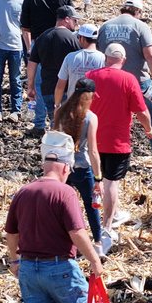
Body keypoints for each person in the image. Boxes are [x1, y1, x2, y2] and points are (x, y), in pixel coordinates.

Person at [6, 131, 105, 303]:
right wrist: (95, 260)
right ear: (64, 167)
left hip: (29, 269)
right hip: (59, 267)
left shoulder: (24, 192)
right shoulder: (66, 193)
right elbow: (77, 232)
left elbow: (11, 232)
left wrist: (14, 260)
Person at [88, 44, 152, 250]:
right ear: (123, 60)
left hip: (92, 140)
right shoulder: (128, 79)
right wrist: (149, 129)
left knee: (97, 180)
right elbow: (141, 111)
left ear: (105, 58)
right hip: (117, 141)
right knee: (111, 183)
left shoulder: (91, 76)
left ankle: (110, 214)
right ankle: (107, 226)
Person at [97, 0, 152, 164]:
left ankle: (110, 156)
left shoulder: (106, 26)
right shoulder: (140, 26)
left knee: (112, 116)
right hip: (139, 80)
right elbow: (150, 55)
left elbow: (99, 53)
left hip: (111, 81)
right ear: (138, 11)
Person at [54, 77, 102, 244]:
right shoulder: (90, 117)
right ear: (91, 96)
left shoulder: (60, 111)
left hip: (62, 165)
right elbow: (93, 150)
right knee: (91, 205)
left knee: (62, 205)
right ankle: (98, 241)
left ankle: (62, 239)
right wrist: (98, 177)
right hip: (81, 166)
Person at [26, 5, 80, 135]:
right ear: (67, 19)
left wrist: (30, 86)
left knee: (54, 122)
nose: (76, 24)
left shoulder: (43, 37)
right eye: (75, 20)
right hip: (66, 88)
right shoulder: (72, 38)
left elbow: (32, 63)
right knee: (67, 126)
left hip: (48, 89)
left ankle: (54, 143)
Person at [54, 23, 105, 107]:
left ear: (82, 38)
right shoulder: (103, 58)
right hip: (94, 106)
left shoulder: (70, 57)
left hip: (73, 105)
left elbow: (60, 85)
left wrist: (57, 105)